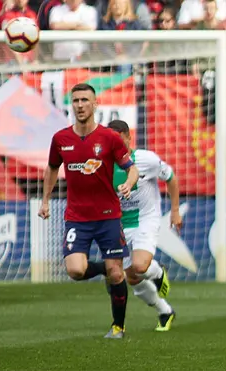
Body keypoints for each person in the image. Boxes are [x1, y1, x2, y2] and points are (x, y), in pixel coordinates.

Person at [39, 83, 139, 339]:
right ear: (71, 105)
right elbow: (51, 168)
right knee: (75, 271)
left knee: (117, 272)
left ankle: (118, 326)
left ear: (95, 105)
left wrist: (128, 183)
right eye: (76, 101)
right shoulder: (61, 139)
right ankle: (107, 269)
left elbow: (131, 167)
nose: (80, 105)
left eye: (85, 100)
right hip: (77, 218)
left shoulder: (109, 138)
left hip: (108, 216)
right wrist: (46, 200)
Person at [108, 120, 180, 332]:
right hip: (119, 224)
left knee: (140, 266)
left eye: (120, 141)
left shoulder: (146, 160)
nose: (117, 147)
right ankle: (165, 311)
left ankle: (157, 273)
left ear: (129, 138)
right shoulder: (103, 165)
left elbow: (171, 177)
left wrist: (175, 210)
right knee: (131, 277)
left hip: (145, 219)